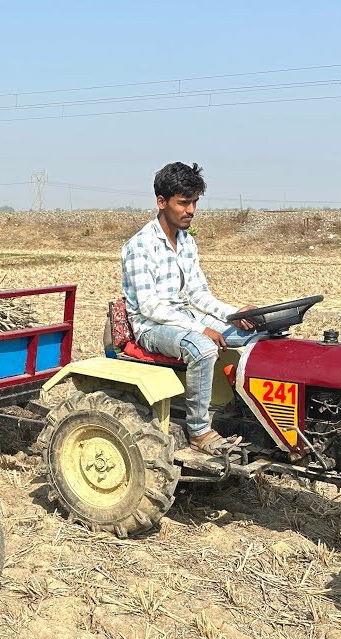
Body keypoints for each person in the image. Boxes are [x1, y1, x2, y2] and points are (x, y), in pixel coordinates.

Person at [122, 162, 261, 456]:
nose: (191, 210)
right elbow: (149, 307)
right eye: (183, 202)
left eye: (195, 202)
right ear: (162, 202)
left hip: (185, 317)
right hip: (151, 327)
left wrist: (234, 315)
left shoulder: (187, 242)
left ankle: (246, 413)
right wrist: (200, 329)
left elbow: (198, 294)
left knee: (253, 338)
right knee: (203, 348)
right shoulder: (140, 246)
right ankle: (198, 430)